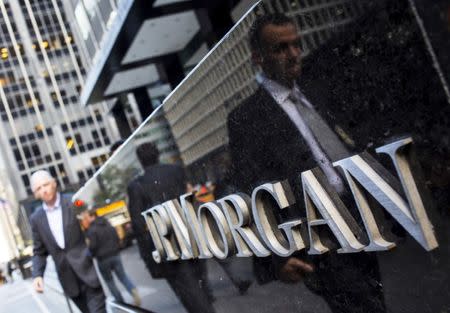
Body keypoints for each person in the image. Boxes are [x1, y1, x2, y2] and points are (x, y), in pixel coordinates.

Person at [227, 13, 385, 312]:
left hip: (362, 215)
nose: (293, 54)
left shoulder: (318, 91)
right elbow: (254, 192)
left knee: (374, 299)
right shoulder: (245, 118)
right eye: (280, 48)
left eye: (296, 45)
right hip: (322, 235)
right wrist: (277, 257)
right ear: (258, 58)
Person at [127, 142, 216, 313]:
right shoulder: (176, 171)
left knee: (188, 291)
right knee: (200, 281)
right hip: (190, 232)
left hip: (167, 243)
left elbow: (138, 224)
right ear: (158, 154)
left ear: (140, 160)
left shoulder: (136, 186)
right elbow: (188, 195)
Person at [30, 170, 106, 313]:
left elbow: (91, 216)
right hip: (68, 281)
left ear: (54, 182)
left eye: (45, 184)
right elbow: (39, 252)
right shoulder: (36, 219)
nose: (44, 190)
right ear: (35, 194)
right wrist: (37, 275)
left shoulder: (74, 200)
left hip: (88, 270)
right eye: (39, 188)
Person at [81, 211, 141, 306]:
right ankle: (133, 291)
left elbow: (93, 246)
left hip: (103, 259)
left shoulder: (92, 230)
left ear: (92, 216)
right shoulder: (107, 223)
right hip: (115, 255)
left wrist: (90, 255)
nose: (85, 220)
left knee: (109, 281)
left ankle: (121, 303)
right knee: (123, 276)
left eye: (86, 217)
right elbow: (116, 237)